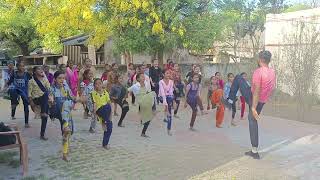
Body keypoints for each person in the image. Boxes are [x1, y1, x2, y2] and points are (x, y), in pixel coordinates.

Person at [228, 50, 276, 159]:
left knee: (238, 78)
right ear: (269, 60)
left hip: (253, 97)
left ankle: (229, 101)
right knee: (252, 121)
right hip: (262, 101)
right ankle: (254, 151)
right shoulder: (272, 72)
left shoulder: (258, 72)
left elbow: (257, 91)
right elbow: (269, 88)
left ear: (260, 59)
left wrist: (253, 107)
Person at [50, 71, 80, 161]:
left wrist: (80, 99)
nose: (62, 80)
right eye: (60, 78)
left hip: (66, 112)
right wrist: (51, 101)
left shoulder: (66, 88)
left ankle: (65, 150)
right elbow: (50, 100)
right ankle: (65, 153)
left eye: (63, 78)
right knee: (66, 103)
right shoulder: (52, 89)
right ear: (55, 79)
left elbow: (73, 98)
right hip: (57, 110)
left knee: (69, 132)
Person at [28, 66, 51, 140]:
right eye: (39, 69)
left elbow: (49, 89)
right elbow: (29, 93)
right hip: (36, 100)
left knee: (45, 118)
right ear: (34, 72)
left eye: (41, 69)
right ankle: (43, 112)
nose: (41, 70)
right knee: (45, 95)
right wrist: (31, 102)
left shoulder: (45, 80)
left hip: (44, 100)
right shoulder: (31, 81)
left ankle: (42, 134)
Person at [7, 62, 31, 127]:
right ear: (17, 67)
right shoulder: (14, 74)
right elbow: (9, 82)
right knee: (13, 93)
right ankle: (13, 113)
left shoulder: (27, 74)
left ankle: (26, 122)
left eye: (23, 66)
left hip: (24, 91)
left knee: (26, 105)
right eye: (20, 66)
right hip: (16, 90)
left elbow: (32, 81)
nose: (22, 67)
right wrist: (5, 88)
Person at [91, 78, 113, 149]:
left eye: (100, 83)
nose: (98, 85)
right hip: (99, 110)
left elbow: (109, 103)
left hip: (107, 111)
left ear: (102, 84)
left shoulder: (105, 92)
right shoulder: (93, 93)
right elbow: (94, 104)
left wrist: (111, 114)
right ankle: (104, 121)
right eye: (96, 84)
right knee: (105, 106)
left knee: (109, 128)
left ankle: (105, 144)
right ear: (94, 85)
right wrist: (95, 114)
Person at [135, 73, 156, 138]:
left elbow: (148, 91)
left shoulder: (146, 84)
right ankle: (143, 133)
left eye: (144, 76)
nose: (144, 77)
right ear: (138, 79)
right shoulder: (137, 85)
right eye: (142, 77)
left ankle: (143, 131)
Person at [159, 70, 175, 136]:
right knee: (168, 100)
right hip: (161, 98)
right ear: (163, 74)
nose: (168, 75)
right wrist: (166, 105)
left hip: (169, 98)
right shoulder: (161, 82)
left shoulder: (171, 82)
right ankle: (167, 110)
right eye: (167, 73)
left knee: (170, 115)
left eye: (169, 73)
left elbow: (171, 92)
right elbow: (162, 93)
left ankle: (169, 129)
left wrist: (173, 101)